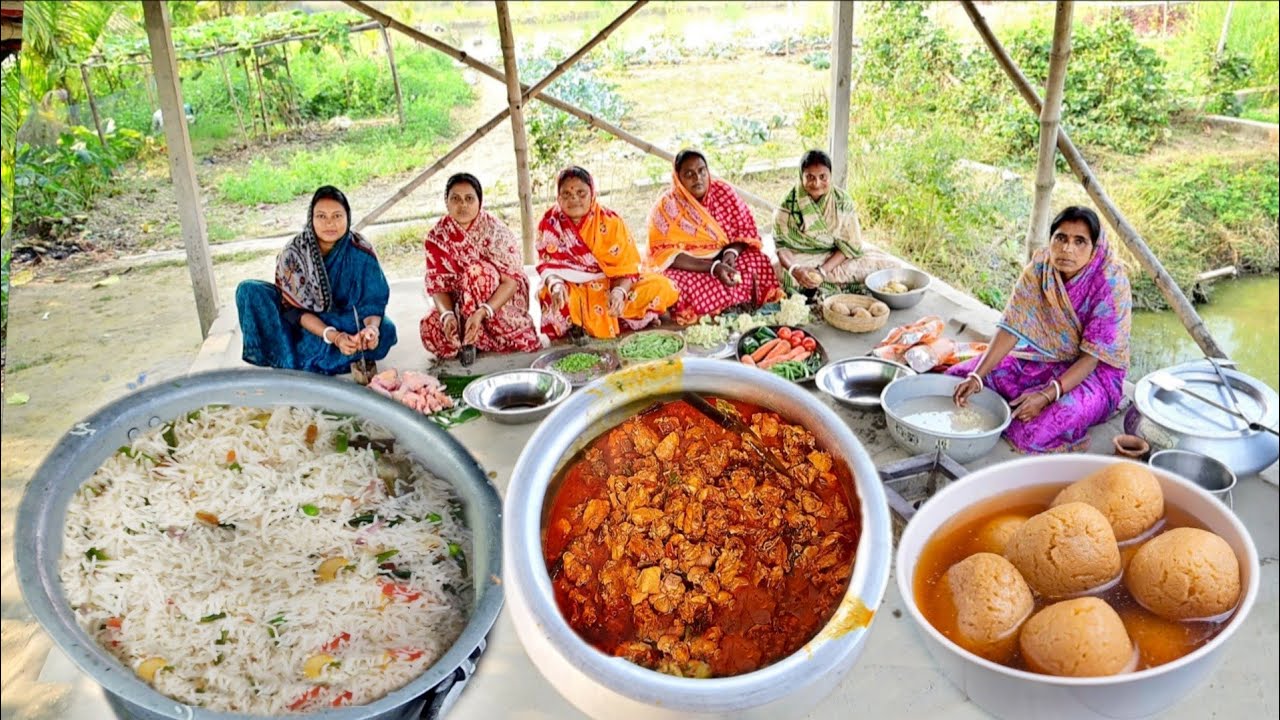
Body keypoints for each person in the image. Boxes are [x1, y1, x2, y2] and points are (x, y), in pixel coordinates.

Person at [950, 206, 1132, 454]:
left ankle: (1066, 420)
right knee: (958, 380)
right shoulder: (1040, 269)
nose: (1067, 249)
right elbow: (1011, 327)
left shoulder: (1111, 283)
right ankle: (1009, 395)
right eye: (1061, 238)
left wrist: (1047, 395)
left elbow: (1091, 358)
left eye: (1080, 241)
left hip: (1093, 373)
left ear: (1095, 247)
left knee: (1034, 432)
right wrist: (977, 376)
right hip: (1042, 357)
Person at [236, 186, 397, 375]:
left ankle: (332, 354)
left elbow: (372, 303)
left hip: (344, 320)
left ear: (348, 217)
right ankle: (303, 355)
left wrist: (371, 330)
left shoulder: (360, 251)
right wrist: (334, 337)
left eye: (337, 216)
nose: (330, 223)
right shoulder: (295, 253)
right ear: (311, 219)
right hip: (306, 326)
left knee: (386, 329)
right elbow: (293, 311)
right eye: (321, 216)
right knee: (249, 290)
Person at [538, 165, 678, 340]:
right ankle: (619, 321)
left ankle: (605, 320)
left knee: (662, 286)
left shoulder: (610, 221)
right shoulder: (550, 222)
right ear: (558, 198)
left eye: (581, 193)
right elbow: (548, 266)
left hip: (612, 284)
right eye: (566, 194)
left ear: (592, 194)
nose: (574, 199)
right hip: (575, 287)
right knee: (548, 294)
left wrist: (619, 292)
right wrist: (555, 285)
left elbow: (628, 268)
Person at [647, 149, 782, 323]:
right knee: (672, 283)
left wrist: (731, 252)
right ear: (678, 179)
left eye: (702, 171)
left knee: (757, 260)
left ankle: (741, 304)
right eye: (689, 174)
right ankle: (708, 312)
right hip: (690, 267)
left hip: (726, 257)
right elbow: (665, 255)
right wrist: (712, 268)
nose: (698, 178)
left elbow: (745, 231)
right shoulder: (666, 207)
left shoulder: (723, 192)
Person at [419, 173, 540, 362]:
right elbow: (437, 286)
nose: (463, 205)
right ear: (446, 202)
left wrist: (482, 312)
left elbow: (511, 282)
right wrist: (448, 316)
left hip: (498, 302)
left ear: (480, 201)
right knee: (430, 325)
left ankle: (483, 334)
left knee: (476, 273)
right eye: (456, 199)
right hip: (459, 304)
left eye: (469, 199)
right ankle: (469, 337)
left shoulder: (495, 231)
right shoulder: (437, 237)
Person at [773, 149, 900, 295]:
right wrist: (795, 269)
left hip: (834, 257)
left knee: (891, 266)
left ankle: (817, 284)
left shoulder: (842, 201)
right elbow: (782, 248)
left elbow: (850, 245)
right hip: (800, 258)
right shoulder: (787, 204)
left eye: (823, 177)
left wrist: (822, 271)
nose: (817, 183)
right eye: (810, 177)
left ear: (830, 176)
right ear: (801, 177)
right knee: (775, 269)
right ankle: (825, 283)